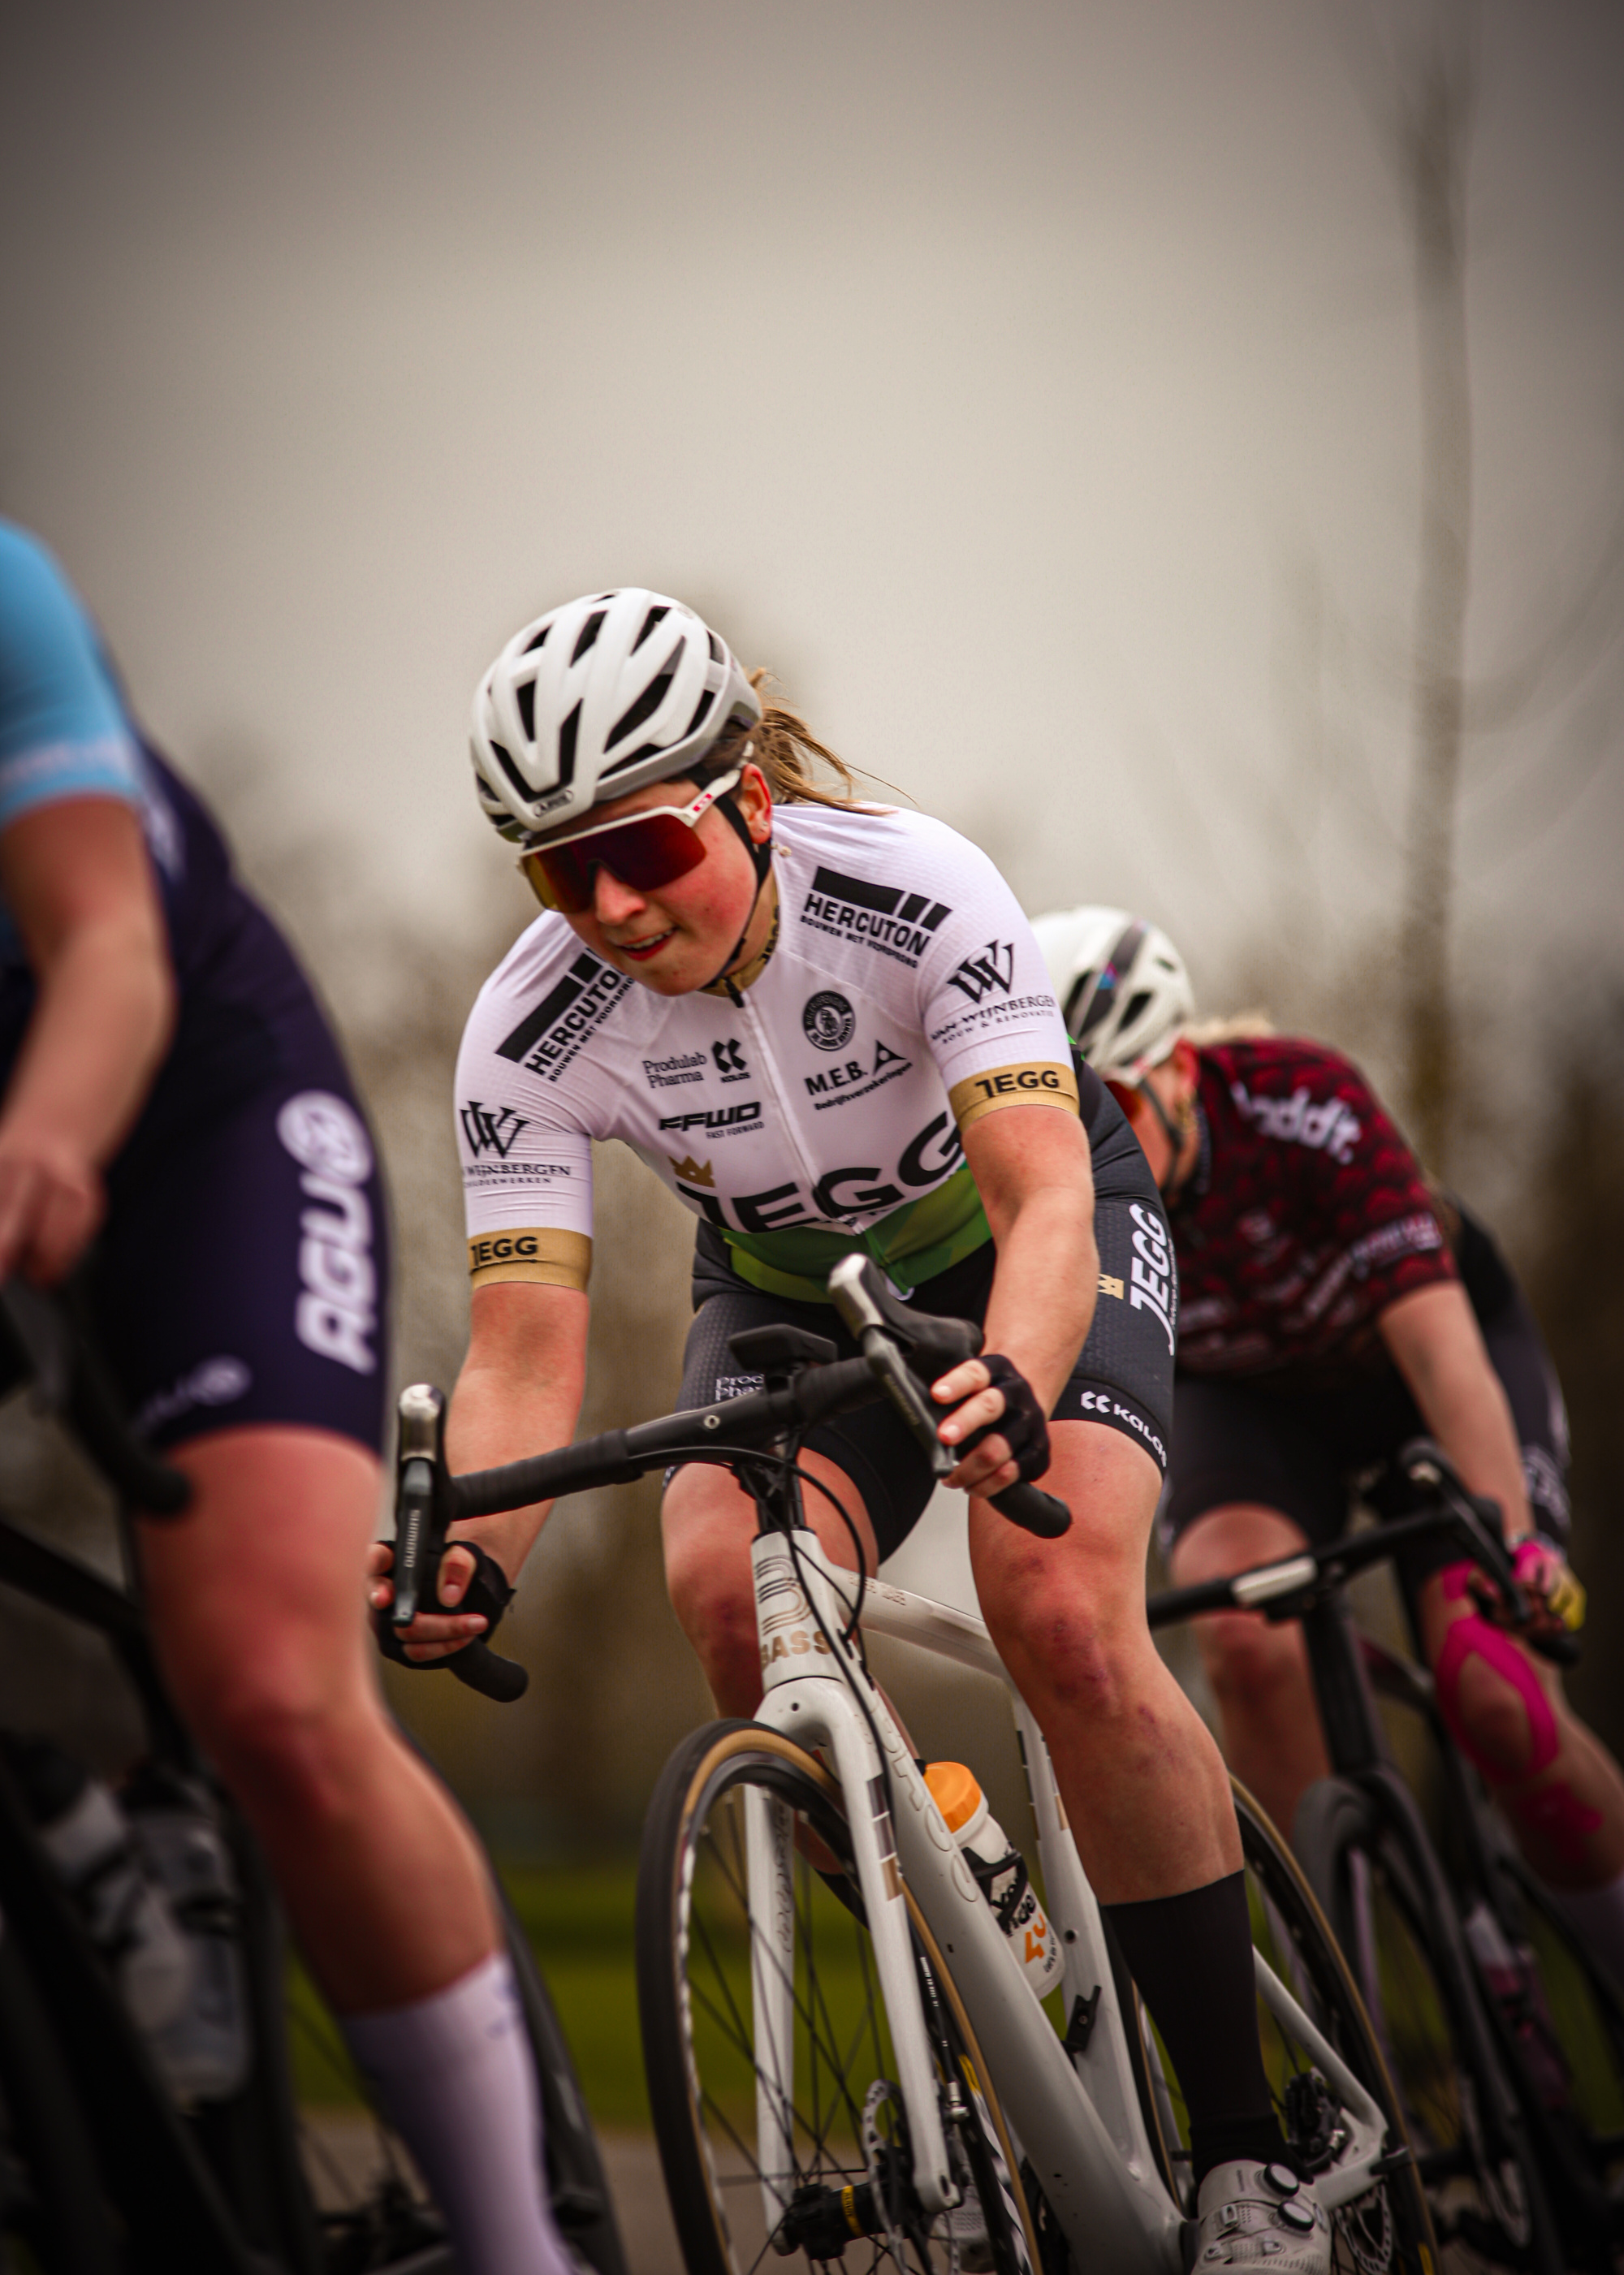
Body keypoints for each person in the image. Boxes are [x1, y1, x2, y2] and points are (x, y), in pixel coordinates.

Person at [383, 586, 1336, 2270]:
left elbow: (1042, 1196)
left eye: (645, 846)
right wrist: (471, 1547)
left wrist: (1023, 1376)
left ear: (744, 797)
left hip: (1027, 1234)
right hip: (784, 1290)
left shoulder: (912, 892)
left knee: (1057, 1610)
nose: (606, 904)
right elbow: (525, 1356)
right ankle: (959, 1946)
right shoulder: (525, 1034)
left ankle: (1250, 2153)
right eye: (556, 867)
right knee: (716, 1589)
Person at [0, 518, 573, 2275]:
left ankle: (516, 2248)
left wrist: (33, 1151)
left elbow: (108, 953)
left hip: (185, 1112)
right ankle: (76, 1833)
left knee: (268, 1688)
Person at [1030, 904, 1624, 1990]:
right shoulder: (1077, 1205)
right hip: (1254, 1406)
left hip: (1410, 1375)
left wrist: (1520, 1545)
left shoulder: (1300, 1104)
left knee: (1495, 1691)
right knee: (1245, 1635)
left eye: (1108, 1109)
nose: (1091, 1150)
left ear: (1171, 1068)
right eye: (1067, 1123)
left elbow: (1445, 1355)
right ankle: (1343, 2004)